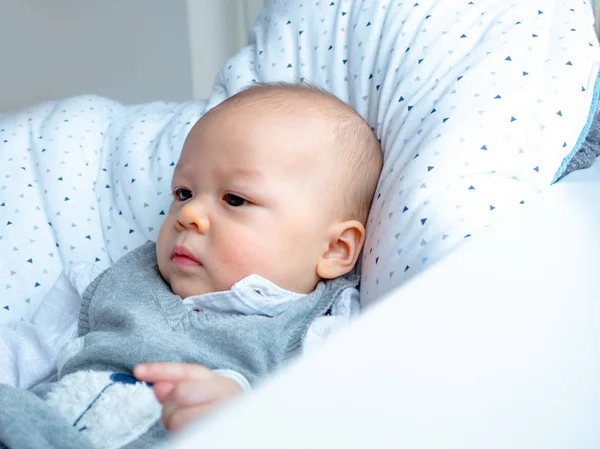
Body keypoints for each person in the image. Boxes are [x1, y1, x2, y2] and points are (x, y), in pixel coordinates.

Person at [0, 82, 383, 449]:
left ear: (334, 249)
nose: (190, 213)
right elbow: (23, 354)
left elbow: (334, 422)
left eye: (234, 199)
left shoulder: (321, 329)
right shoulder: (108, 283)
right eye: (184, 193)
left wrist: (246, 417)